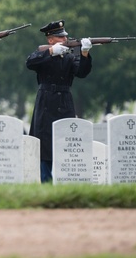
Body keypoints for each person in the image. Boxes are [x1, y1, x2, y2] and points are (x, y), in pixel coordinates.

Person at [26, 20, 92, 183]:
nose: (64, 39)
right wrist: (51, 52)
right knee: (44, 146)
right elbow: (30, 62)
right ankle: (45, 181)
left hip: (64, 101)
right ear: (50, 40)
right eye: (60, 37)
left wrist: (84, 54)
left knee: (66, 142)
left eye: (65, 37)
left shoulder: (69, 57)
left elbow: (81, 72)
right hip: (46, 101)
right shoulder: (43, 55)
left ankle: (66, 180)